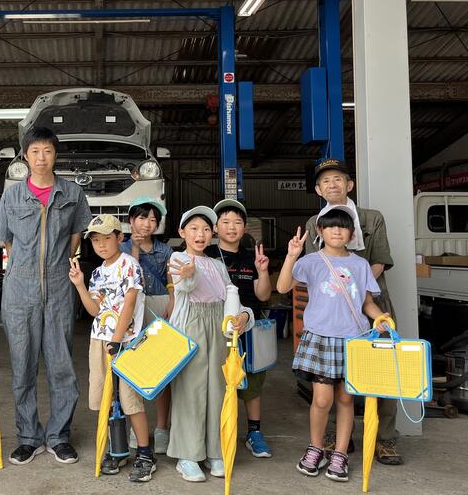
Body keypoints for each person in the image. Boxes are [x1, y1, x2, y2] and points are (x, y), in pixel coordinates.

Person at [0, 126, 92, 465]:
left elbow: (77, 234)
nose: (41, 158)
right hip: (19, 289)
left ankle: (58, 436)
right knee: (22, 366)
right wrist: (25, 268)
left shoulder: (73, 193)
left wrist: (57, 264)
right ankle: (28, 437)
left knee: (61, 364)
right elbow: (8, 240)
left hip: (59, 285)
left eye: (47, 151)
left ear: (55, 155)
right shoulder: (11, 196)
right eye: (35, 151)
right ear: (25, 156)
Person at [278, 207, 392, 483]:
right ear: (320, 231)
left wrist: (381, 318)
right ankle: (316, 447)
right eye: (330, 226)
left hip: (353, 339)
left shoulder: (360, 265)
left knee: (345, 399)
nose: (337, 231)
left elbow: (367, 303)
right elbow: (282, 287)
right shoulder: (311, 261)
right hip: (320, 337)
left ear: (352, 234)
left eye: (343, 227)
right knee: (322, 399)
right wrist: (292, 255)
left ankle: (340, 454)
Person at [303, 158, 401, 466]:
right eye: (325, 181)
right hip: (332, 310)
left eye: (338, 179)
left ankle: (385, 438)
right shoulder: (314, 223)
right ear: (318, 190)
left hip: (372, 304)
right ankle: (339, 438)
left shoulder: (372, 218)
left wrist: (359, 289)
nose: (332, 184)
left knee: (381, 372)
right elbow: (314, 269)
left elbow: (379, 260)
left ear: (350, 184)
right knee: (335, 380)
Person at [167, 206, 254, 483]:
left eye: (206, 229)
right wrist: (189, 273)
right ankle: (187, 455)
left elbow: (230, 296)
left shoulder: (217, 264)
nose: (200, 234)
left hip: (219, 327)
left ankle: (216, 451)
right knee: (190, 391)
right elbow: (184, 287)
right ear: (182, 232)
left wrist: (243, 315)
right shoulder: (178, 258)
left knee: (218, 389)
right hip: (190, 327)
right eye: (193, 228)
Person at [68, 214, 156, 482]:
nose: (101, 245)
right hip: (100, 341)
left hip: (125, 342)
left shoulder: (130, 265)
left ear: (120, 237)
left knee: (130, 399)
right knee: (105, 398)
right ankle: (117, 450)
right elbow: (95, 310)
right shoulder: (96, 273)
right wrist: (80, 285)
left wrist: (117, 340)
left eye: (107, 238)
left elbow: (129, 304)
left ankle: (145, 454)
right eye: (96, 240)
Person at [205, 199, 273, 459]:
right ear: (215, 228)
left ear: (245, 227)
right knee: (218, 381)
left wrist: (262, 271)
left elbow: (263, 295)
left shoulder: (250, 257)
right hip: (216, 328)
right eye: (225, 222)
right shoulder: (207, 254)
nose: (231, 227)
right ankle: (220, 431)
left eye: (237, 222)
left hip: (249, 326)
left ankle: (254, 432)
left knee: (252, 381)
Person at [119, 197, 173, 454]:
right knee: (134, 371)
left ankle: (162, 428)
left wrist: (172, 304)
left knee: (162, 372)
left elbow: (172, 282)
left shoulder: (166, 250)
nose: (148, 223)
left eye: (153, 219)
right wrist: (135, 248)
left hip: (160, 307)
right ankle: (137, 427)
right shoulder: (120, 247)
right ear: (131, 220)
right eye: (142, 217)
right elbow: (130, 277)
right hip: (133, 310)